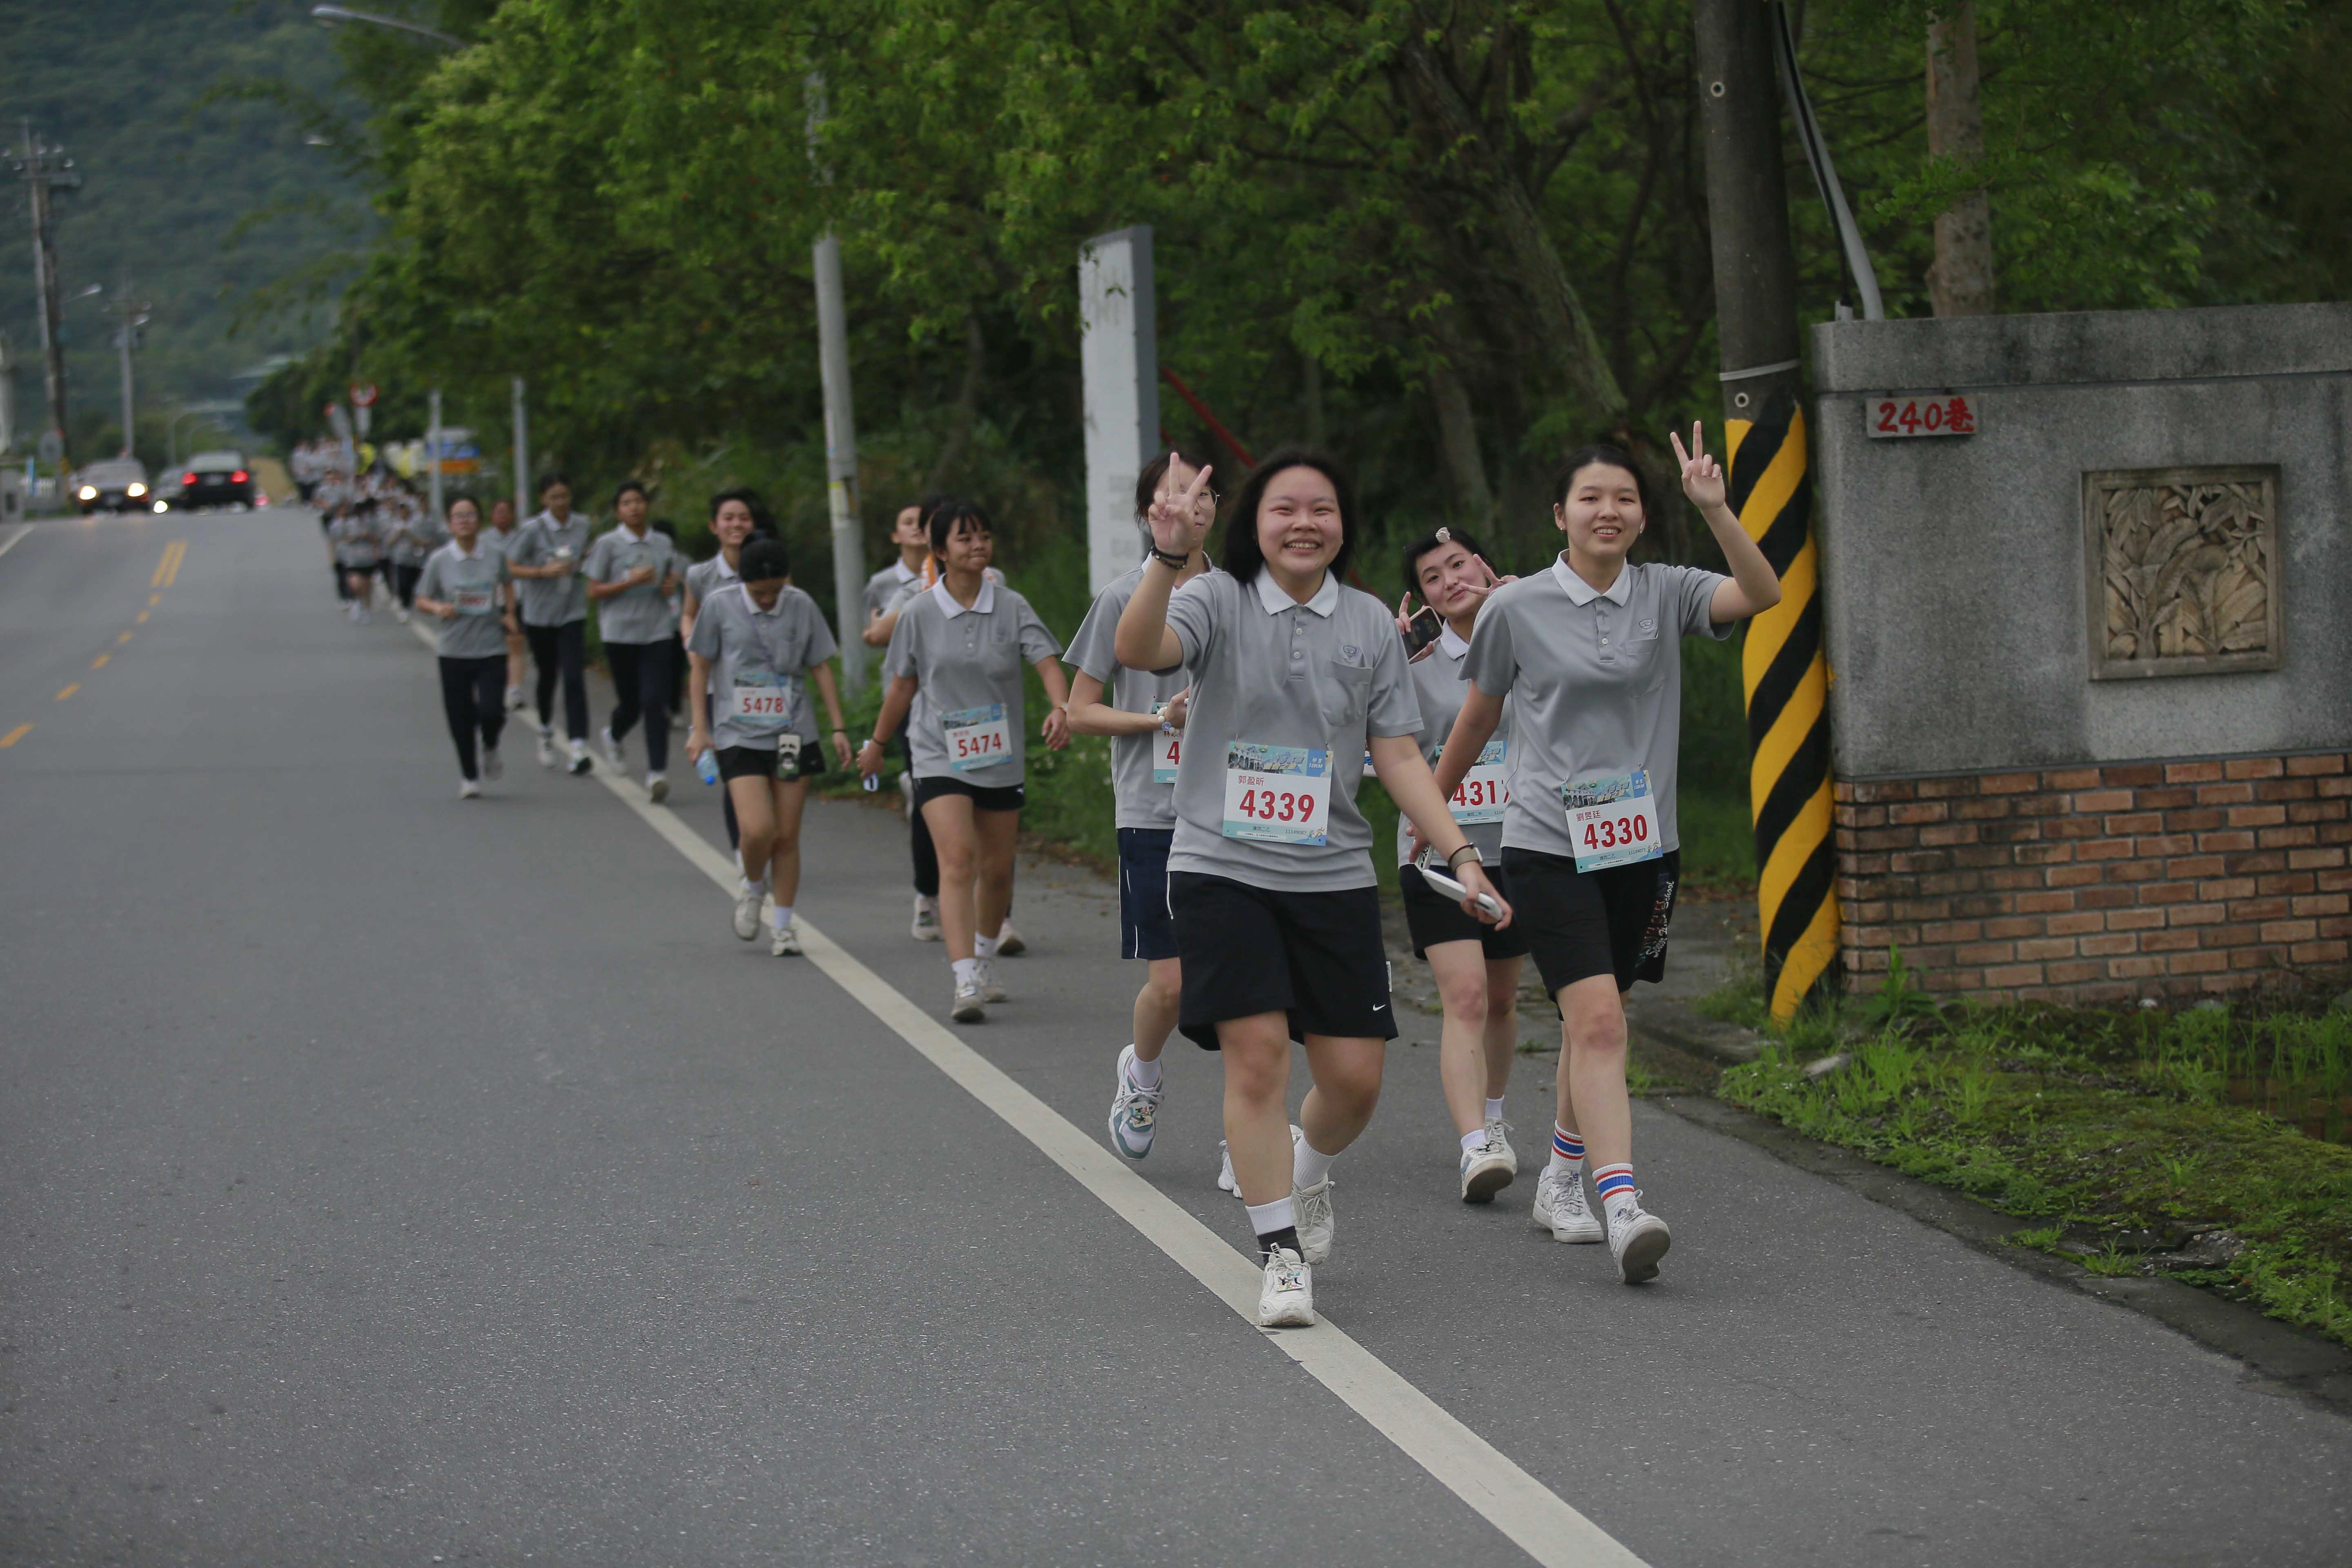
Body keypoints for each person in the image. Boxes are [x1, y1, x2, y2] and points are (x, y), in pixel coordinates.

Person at [1113, 449, 1508, 1329]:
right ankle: (1279, 1253)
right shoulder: (1215, 600)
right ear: (1253, 523)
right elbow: (1140, 648)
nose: (1303, 523)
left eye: (1321, 509)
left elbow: (1401, 755)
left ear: (1342, 525)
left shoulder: (1370, 624)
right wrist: (1168, 553)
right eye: (1284, 508)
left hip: (1329, 874)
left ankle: (1310, 1166)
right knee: (1257, 1057)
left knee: (1355, 1082)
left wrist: (1461, 854)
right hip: (1220, 866)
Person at [1430, 429, 1781, 1286]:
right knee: (1597, 1025)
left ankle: (1557, 1177)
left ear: (1641, 515)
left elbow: (1763, 593)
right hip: (1548, 846)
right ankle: (1622, 1204)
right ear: (1562, 514)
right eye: (1591, 497)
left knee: (1602, 1024)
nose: (1609, 511)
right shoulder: (1516, 609)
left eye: (1625, 498)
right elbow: (1478, 719)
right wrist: (1431, 809)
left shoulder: (1667, 592)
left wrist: (1715, 507)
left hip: (1644, 850)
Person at [1062, 451, 1218, 1160]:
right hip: (1152, 813)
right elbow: (1081, 711)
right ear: (1148, 516)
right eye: (1167, 501)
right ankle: (1143, 1072)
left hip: (1238, 815)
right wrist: (1159, 722)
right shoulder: (1121, 598)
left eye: (1196, 497)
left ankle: (1244, 1141)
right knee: (1175, 982)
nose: (1183, 509)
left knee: (1248, 984)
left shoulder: (1244, 595)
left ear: (1215, 508)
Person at [858, 501, 1068, 1022]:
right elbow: (903, 684)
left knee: (997, 872)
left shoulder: (1013, 605)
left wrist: (1062, 706)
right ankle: (964, 980)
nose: (978, 546)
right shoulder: (919, 613)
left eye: (984, 537)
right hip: (937, 751)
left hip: (999, 754)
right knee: (958, 860)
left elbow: (1045, 660)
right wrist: (878, 743)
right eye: (965, 539)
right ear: (939, 553)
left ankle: (985, 953)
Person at [1393, 527, 1533, 1203]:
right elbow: (1388, 755)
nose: (1450, 581)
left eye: (1458, 565)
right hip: (1436, 853)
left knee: (1503, 999)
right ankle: (1474, 1145)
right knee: (1467, 996)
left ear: (1486, 563)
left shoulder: (1537, 635)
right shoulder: (1413, 667)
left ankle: (1496, 1117)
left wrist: (1532, 606)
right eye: (1431, 577)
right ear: (1421, 599)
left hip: (1524, 847)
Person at [685, 537, 851, 956]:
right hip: (738, 733)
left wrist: (838, 728)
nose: (767, 599)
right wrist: (699, 729)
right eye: (759, 592)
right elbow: (701, 667)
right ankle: (754, 886)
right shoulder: (720, 605)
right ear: (743, 582)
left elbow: (820, 667)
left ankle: (783, 926)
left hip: (793, 733)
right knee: (758, 829)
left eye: (775, 590)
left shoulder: (801, 605)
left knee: (787, 836)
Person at [585, 480, 683, 800]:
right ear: (618, 511)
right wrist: (629, 582)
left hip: (656, 630)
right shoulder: (608, 544)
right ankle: (613, 734)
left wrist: (669, 587)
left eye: (639, 501)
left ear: (647, 506)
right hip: (619, 632)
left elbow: (669, 581)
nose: (635, 507)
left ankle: (657, 773)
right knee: (632, 703)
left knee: (655, 702)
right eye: (627, 503)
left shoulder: (663, 543)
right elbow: (594, 591)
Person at [413, 496, 517, 797]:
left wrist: (510, 613)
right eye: (458, 516)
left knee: (492, 710)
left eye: (471, 515)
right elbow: (421, 599)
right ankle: (469, 776)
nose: (465, 521)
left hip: (491, 646)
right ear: (450, 523)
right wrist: (438, 609)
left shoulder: (495, 556)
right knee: (460, 716)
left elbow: (508, 583)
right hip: (453, 649)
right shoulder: (440, 560)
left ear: (480, 521)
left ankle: (491, 743)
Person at [682, 489, 760, 855]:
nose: (737, 524)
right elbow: (688, 614)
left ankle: (764, 843)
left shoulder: (769, 568)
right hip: (721, 689)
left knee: (770, 772)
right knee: (737, 774)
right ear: (714, 526)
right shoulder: (701, 575)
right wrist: (692, 643)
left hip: (767, 690)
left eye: (743, 517)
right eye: (729, 518)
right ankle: (743, 853)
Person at [507, 472, 595, 775]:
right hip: (540, 614)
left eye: (565, 496)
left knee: (573, 677)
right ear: (544, 500)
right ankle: (545, 730)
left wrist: (585, 562)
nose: (561, 502)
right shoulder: (532, 530)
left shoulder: (582, 525)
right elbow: (510, 565)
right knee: (548, 676)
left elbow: (588, 557)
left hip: (572, 611)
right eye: (554, 497)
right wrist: (542, 572)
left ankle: (579, 745)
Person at [482, 496, 530, 711]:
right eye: (499, 512)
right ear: (492, 515)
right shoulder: (483, 540)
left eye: (507, 512)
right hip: (489, 600)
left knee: (516, 642)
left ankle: (515, 690)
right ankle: (494, 687)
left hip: (516, 597)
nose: (503, 516)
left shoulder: (522, 538)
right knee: (493, 647)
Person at [383, 486, 446, 626]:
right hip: (401, 558)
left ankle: (420, 605)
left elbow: (427, 539)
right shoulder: (395, 523)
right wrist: (399, 534)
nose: (403, 512)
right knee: (403, 584)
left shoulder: (421, 522)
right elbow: (388, 542)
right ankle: (404, 607)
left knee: (418, 585)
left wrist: (412, 536)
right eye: (401, 509)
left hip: (419, 559)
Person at [330, 500, 383, 622]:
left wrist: (368, 537)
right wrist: (355, 537)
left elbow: (377, 539)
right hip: (353, 558)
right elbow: (341, 539)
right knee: (355, 583)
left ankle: (366, 609)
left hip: (368, 557)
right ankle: (357, 602)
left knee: (367, 585)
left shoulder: (371, 523)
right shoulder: (348, 524)